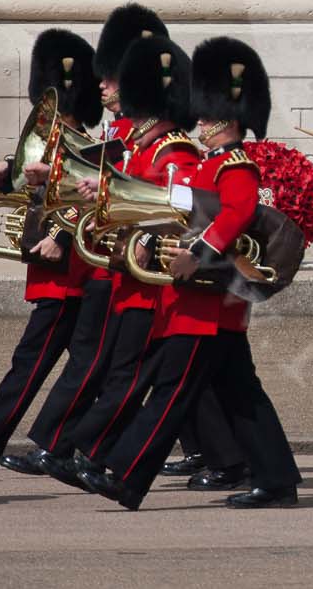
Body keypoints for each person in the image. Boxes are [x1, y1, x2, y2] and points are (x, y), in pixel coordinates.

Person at [81, 37, 301, 510]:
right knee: (241, 394)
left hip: (206, 302)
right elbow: (186, 204)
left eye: (207, 114)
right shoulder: (210, 164)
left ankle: (124, 473)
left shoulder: (235, 164)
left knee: (172, 392)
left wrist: (198, 253)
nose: (198, 121)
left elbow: (237, 212)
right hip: (204, 305)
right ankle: (277, 478)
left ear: (228, 116)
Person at [0, 29, 103, 470]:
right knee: (88, 370)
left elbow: (87, 202)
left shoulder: (87, 148)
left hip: (71, 271)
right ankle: (22, 442)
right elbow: (29, 177)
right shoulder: (53, 144)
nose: (44, 115)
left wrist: (60, 237)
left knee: (43, 363)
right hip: (55, 272)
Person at [15, 4, 166, 479]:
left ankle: (79, 450)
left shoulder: (161, 144)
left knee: (123, 371)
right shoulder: (123, 135)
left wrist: (61, 229)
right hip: (112, 266)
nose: (102, 87)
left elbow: (149, 201)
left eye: (113, 79)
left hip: (120, 269)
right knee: (139, 372)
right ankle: (85, 451)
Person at [50, 35, 206, 488]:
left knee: (132, 378)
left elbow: (176, 213)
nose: (105, 87)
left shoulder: (172, 150)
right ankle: (220, 455)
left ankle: (90, 452)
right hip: (126, 279)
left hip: (151, 285)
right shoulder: (141, 146)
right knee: (143, 379)